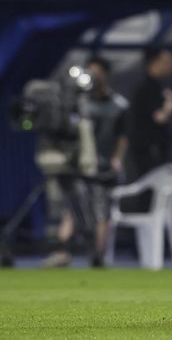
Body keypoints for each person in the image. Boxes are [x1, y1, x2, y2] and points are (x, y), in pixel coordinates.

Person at [43, 56, 128, 267]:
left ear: (106, 74)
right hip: (78, 164)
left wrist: (117, 158)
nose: (93, 77)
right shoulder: (78, 104)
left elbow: (122, 136)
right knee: (72, 209)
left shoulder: (118, 105)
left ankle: (97, 256)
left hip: (104, 167)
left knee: (101, 212)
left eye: (97, 73)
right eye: (90, 72)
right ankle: (60, 252)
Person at [128, 47, 172, 185]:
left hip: (152, 149)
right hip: (150, 150)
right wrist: (170, 103)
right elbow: (160, 117)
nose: (169, 65)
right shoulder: (148, 88)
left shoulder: (157, 86)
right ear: (154, 62)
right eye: (166, 61)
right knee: (151, 188)